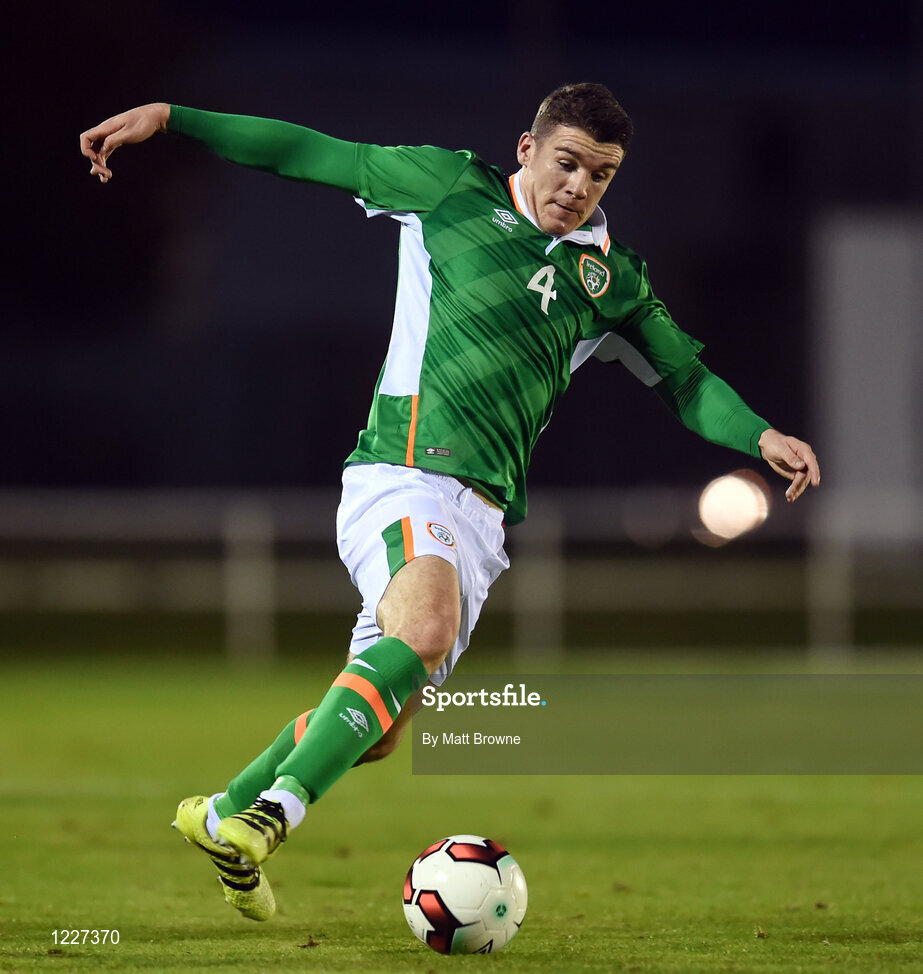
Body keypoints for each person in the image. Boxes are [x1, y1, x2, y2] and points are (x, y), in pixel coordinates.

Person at [79, 84, 819, 921]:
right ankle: (269, 815)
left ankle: (215, 814)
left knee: (380, 728)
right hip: (399, 472)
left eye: (599, 174)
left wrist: (758, 435)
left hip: (482, 521)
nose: (577, 186)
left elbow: (684, 381)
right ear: (527, 150)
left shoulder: (609, 281)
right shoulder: (446, 189)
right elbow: (308, 152)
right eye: (566, 162)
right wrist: (176, 120)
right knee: (421, 634)